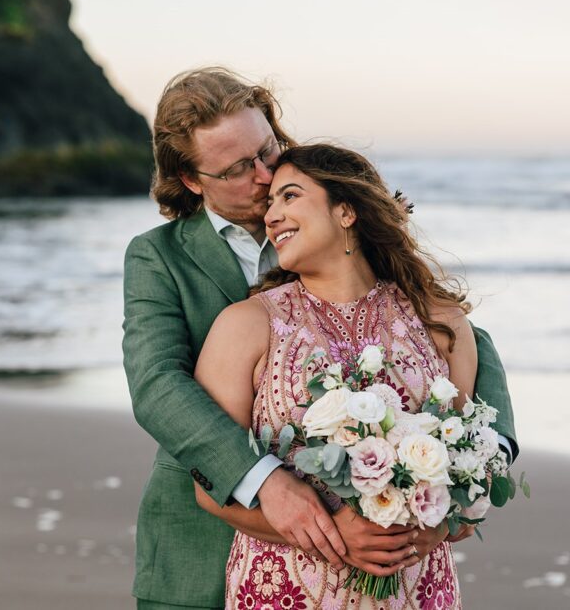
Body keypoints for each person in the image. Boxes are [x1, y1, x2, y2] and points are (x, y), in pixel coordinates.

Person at [122, 68, 517, 609]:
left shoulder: (332, 219)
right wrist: (265, 482)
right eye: (239, 168)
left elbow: (454, 333)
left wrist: (473, 468)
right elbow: (157, 385)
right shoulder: (160, 257)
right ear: (193, 180)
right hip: (206, 537)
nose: (263, 177)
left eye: (269, 149)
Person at [194, 143, 484, 608]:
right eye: (270, 204)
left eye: (289, 197)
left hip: (416, 589)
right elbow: (210, 489)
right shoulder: (245, 326)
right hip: (287, 590)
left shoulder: (442, 324)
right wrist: (335, 537)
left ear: (346, 211)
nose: (272, 216)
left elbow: (470, 475)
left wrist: (440, 523)